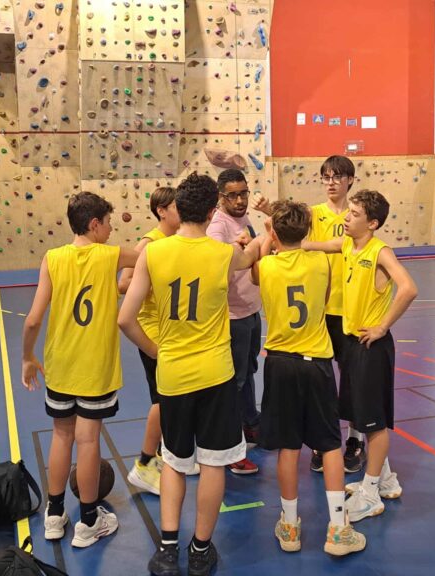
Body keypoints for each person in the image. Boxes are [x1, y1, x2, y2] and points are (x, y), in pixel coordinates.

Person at [118, 173, 262, 576]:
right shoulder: (222, 254)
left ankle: (168, 549)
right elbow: (250, 257)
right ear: (213, 210)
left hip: (174, 375)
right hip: (215, 375)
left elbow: (126, 319)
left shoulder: (153, 252)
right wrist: (256, 237)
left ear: (178, 208)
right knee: (213, 464)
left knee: (174, 462)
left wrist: (158, 352)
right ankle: (200, 549)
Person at [21, 192, 138, 547]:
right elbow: (152, 254)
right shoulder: (110, 255)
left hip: (60, 365)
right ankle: (88, 521)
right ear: (94, 224)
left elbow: (33, 320)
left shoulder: (52, 258)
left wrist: (27, 358)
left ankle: (54, 516)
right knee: (88, 440)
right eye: (109, 223)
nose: (111, 230)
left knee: (61, 436)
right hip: (95, 370)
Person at [252, 200, 366, 556]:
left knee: (289, 447)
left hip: (280, 364)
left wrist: (267, 237)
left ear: (275, 233)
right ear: (306, 231)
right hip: (316, 362)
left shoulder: (266, 266)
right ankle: (338, 529)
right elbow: (326, 287)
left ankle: (289, 526)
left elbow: (255, 271)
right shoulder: (320, 262)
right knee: (329, 445)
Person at [302, 190, 418, 522]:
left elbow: (409, 288)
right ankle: (385, 479)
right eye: (348, 211)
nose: (346, 217)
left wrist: (382, 326)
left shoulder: (380, 252)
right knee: (359, 414)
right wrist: (286, 240)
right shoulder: (347, 245)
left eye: (354, 214)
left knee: (373, 423)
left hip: (372, 347)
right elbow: (316, 245)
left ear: (372, 223)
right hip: (353, 342)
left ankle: (370, 494)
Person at [253, 156, 366, 474]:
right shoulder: (313, 214)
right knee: (322, 381)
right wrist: (268, 210)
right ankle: (320, 443)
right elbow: (289, 225)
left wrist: (308, 244)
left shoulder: (356, 215)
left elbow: (346, 245)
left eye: (337, 177)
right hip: (320, 309)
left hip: (352, 307)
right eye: (326, 177)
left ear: (350, 180)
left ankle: (355, 438)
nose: (331, 182)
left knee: (353, 378)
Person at [118, 187, 181, 496]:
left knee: (170, 399)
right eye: (176, 206)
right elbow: (123, 283)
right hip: (152, 333)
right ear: (162, 211)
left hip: (170, 329)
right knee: (162, 401)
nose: (182, 211)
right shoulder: (149, 243)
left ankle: (163, 455)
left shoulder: (177, 240)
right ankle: (144, 463)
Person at [206, 169, 263, 475]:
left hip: (251, 310)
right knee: (234, 381)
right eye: (233, 196)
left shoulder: (244, 218)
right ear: (221, 197)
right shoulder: (217, 226)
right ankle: (231, 447)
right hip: (232, 317)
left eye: (243, 193)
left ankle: (250, 423)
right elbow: (217, 261)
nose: (240, 200)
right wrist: (239, 248)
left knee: (248, 372)